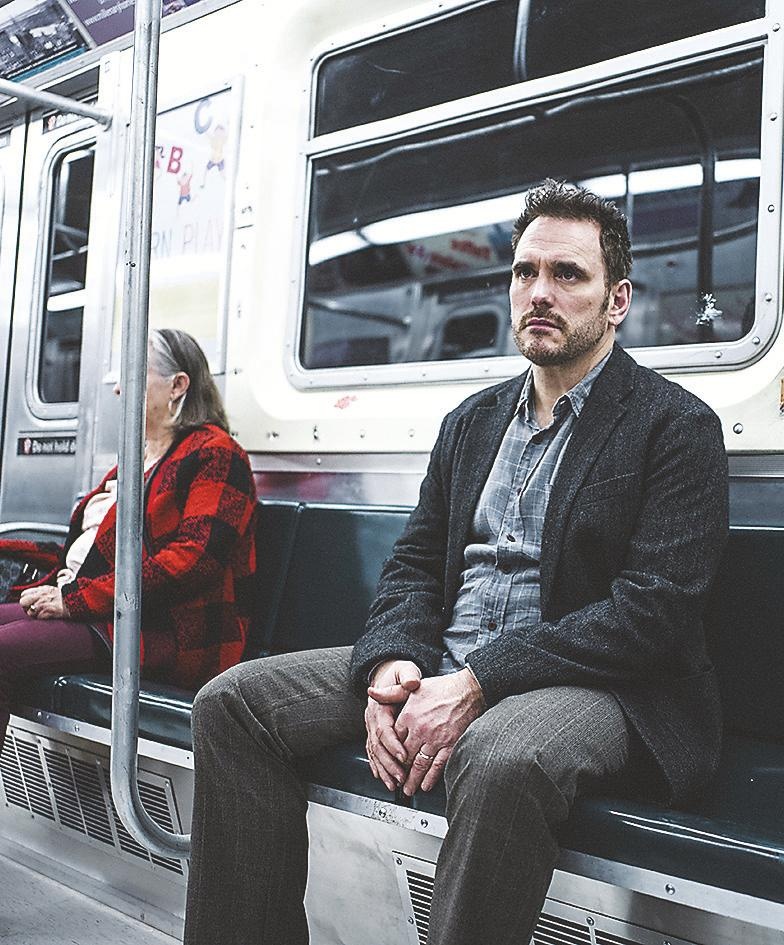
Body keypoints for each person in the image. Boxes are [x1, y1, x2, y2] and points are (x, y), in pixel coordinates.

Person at [183, 181, 728, 945]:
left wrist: (478, 682)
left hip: (602, 685)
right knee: (233, 704)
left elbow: (652, 612)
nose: (539, 292)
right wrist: (393, 663)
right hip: (445, 663)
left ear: (617, 301)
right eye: (524, 271)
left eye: (568, 274)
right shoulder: (472, 422)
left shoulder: (674, 426)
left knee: (501, 755)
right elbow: (413, 564)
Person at [0, 328, 257, 751]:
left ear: (178, 385)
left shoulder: (215, 454)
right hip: (104, 610)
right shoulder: (138, 460)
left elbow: (192, 561)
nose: (119, 388)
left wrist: (75, 600)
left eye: (134, 375)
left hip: (164, 627)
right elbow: (90, 549)